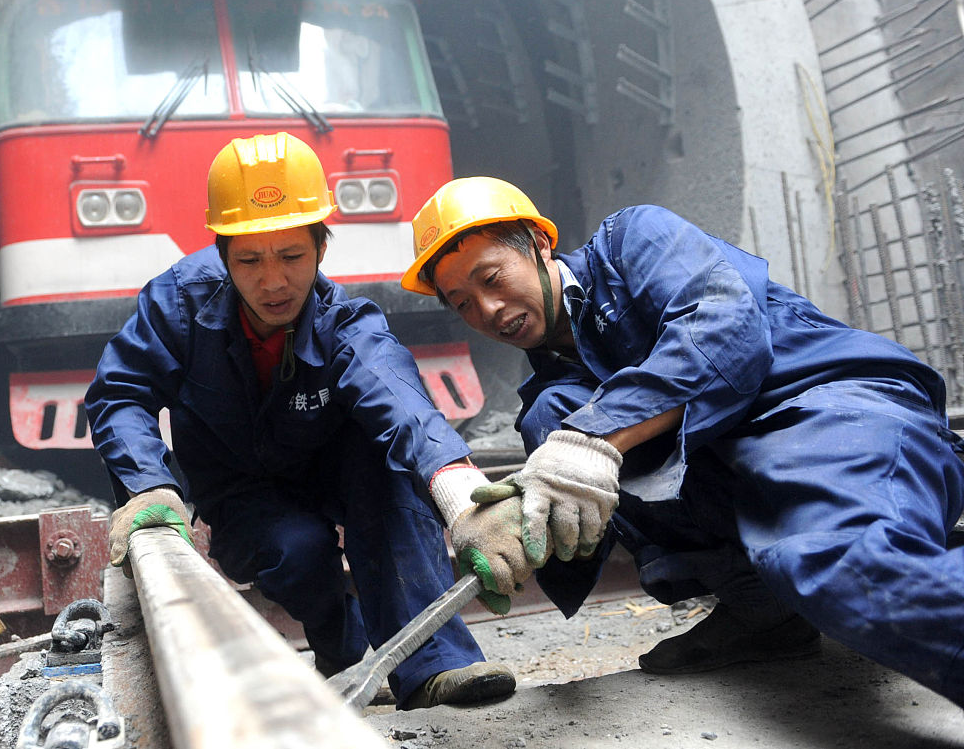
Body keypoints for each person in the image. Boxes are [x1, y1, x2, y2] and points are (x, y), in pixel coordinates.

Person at [399, 175, 964, 706]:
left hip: (828, 410)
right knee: (555, 422)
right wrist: (522, 529)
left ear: (538, 245)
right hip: (748, 461)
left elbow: (724, 329)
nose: (488, 310)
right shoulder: (555, 399)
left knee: (836, 564)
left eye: (492, 278)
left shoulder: (633, 239)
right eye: (462, 302)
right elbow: (582, 522)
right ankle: (765, 612)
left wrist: (593, 438)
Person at [84, 133, 516, 709]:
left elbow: (402, 403)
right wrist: (149, 486)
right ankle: (342, 653)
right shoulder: (179, 303)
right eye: (249, 260)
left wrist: (461, 497)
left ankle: (434, 667)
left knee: (390, 481)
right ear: (222, 255)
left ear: (321, 249)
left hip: (334, 470)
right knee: (298, 552)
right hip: (240, 489)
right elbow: (120, 392)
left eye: (291, 256)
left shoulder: (345, 321)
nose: (273, 282)